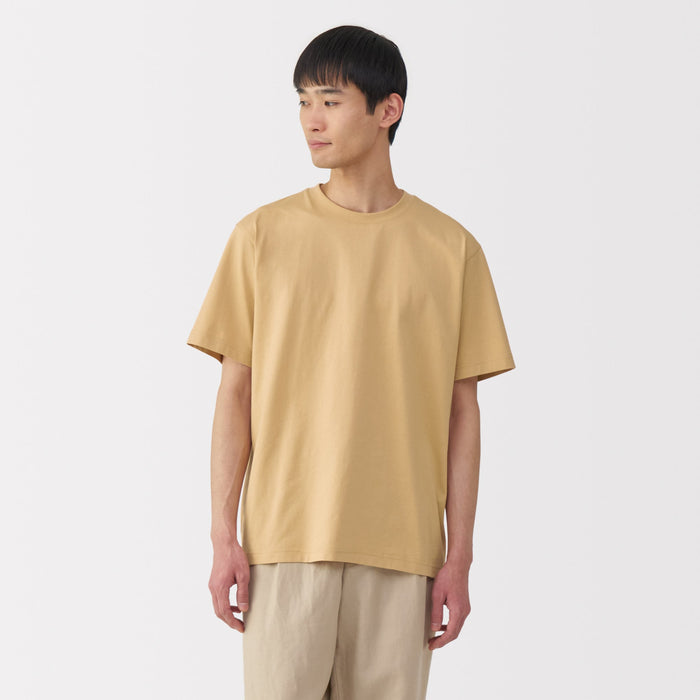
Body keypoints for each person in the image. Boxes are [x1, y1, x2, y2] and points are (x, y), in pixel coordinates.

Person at [186, 24, 515, 700]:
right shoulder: (261, 237)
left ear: (388, 109)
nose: (311, 120)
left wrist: (459, 557)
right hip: (283, 545)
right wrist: (223, 537)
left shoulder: (452, 251)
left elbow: (463, 415)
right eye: (303, 101)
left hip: (402, 553)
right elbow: (235, 396)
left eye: (331, 101)